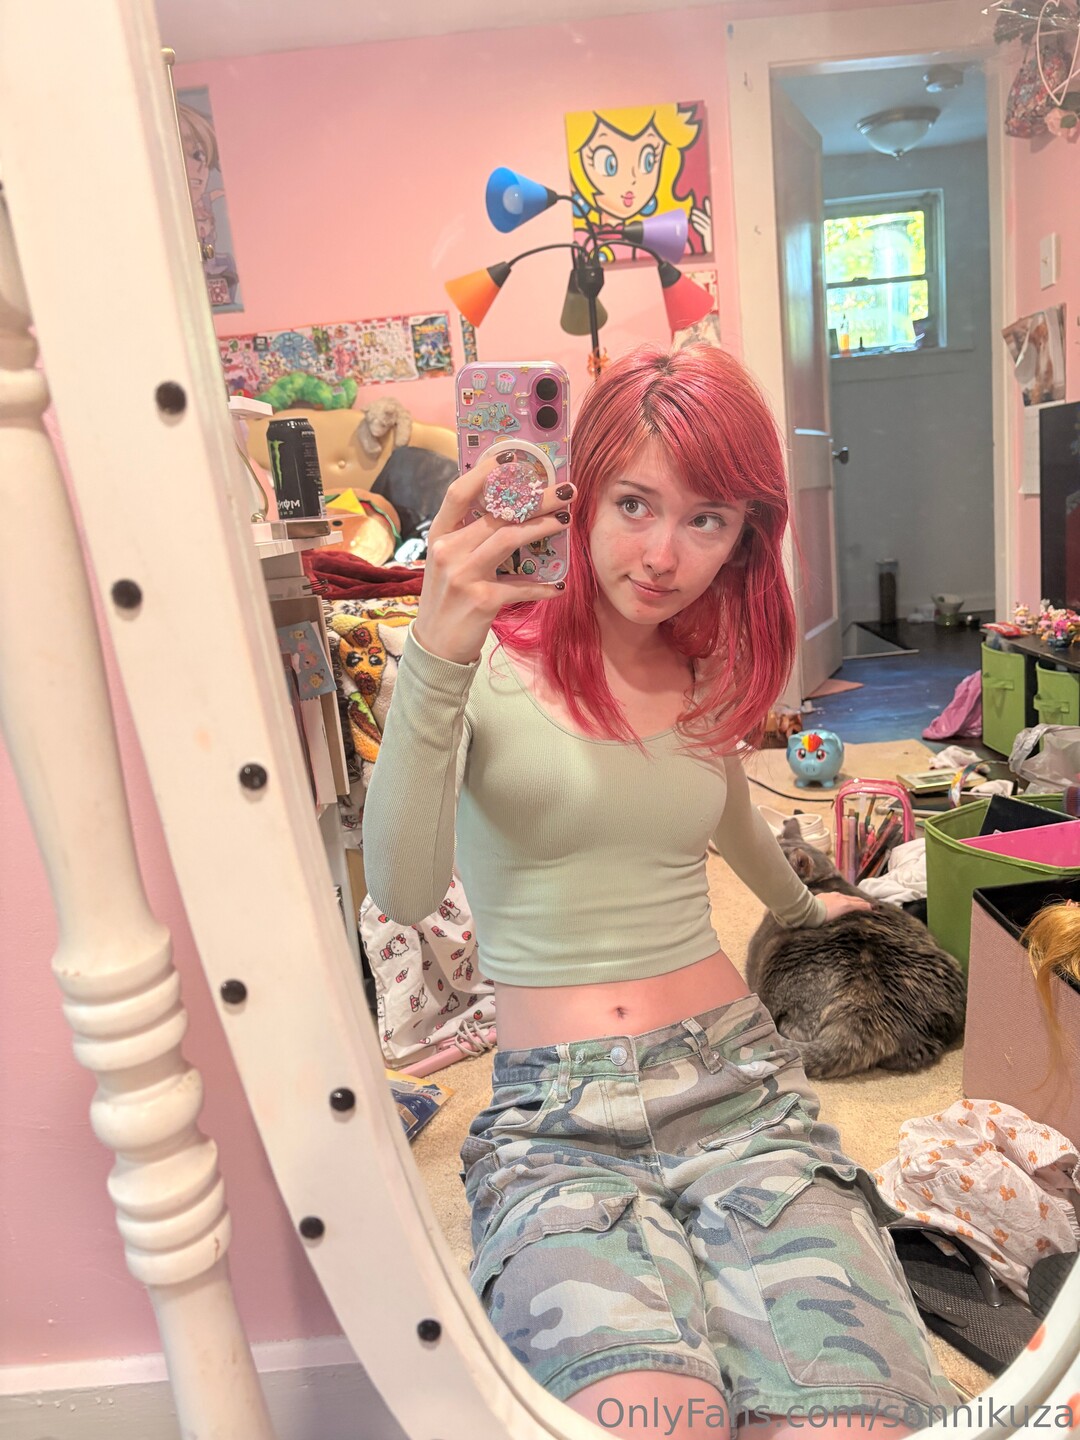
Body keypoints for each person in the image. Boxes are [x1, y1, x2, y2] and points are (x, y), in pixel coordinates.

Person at [363, 344, 956, 1440]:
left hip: (738, 1083)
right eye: (635, 503)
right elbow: (401, 891)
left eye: (706, 518)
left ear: (743, 536)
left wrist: (805, 911)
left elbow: (726, 816)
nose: (663, 555)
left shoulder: (706, 668)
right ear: (579, 491)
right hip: (556, 1119)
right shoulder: (475, 662)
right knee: (652, 1420)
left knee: (850, 1420)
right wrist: (434, 652)